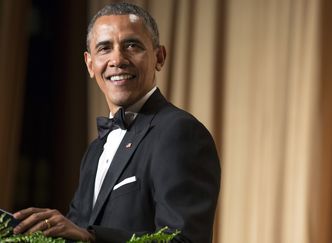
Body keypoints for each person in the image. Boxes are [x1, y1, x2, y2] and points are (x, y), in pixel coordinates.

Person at [12, 3, 221, 243]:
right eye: (104, 48)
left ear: (159, 57)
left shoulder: (180, 132)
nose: (117, 59)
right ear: (90, 64)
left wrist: (92, 238)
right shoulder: (94, 152)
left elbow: (184, 240)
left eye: (132, 45)